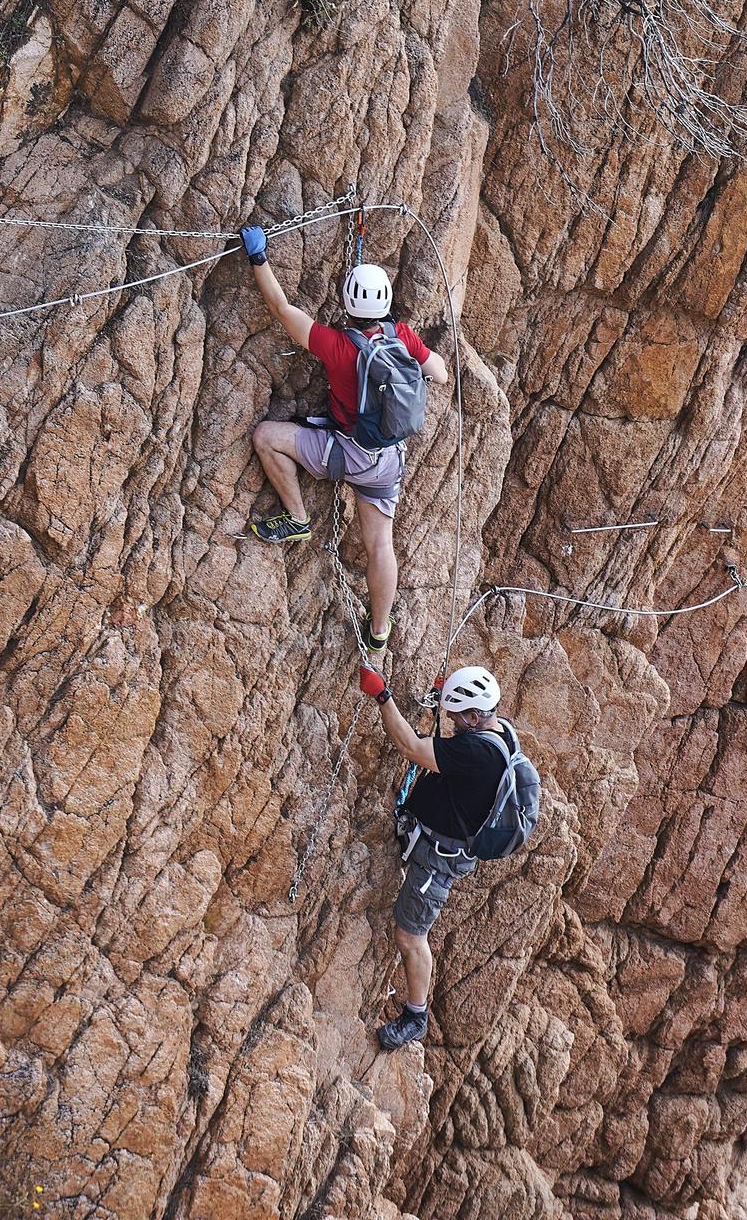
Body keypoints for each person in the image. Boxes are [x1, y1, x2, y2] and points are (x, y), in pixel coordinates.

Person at [238, 221, 449, 659]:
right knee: (380, 545)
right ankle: (379, 629)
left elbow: (280, 307)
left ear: (347, 304)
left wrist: (258, 257)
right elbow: (441, 373)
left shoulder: (336, 346)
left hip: (345, 452)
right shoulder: (404, 336)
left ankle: (296, 518)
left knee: (266, 436)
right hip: (387, 459)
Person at [359, 661, 513, 1051]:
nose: (453, 722)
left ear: (477, 716)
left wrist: (382, 695)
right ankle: (415, 1013)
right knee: (411, 933)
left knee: (410, 936)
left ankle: (415, 1016)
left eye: (458, 717)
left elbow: (410, 747)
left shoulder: (477, 752)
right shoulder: (500, 732)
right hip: (439, 845)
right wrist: (450, 697)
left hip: (437, 863)